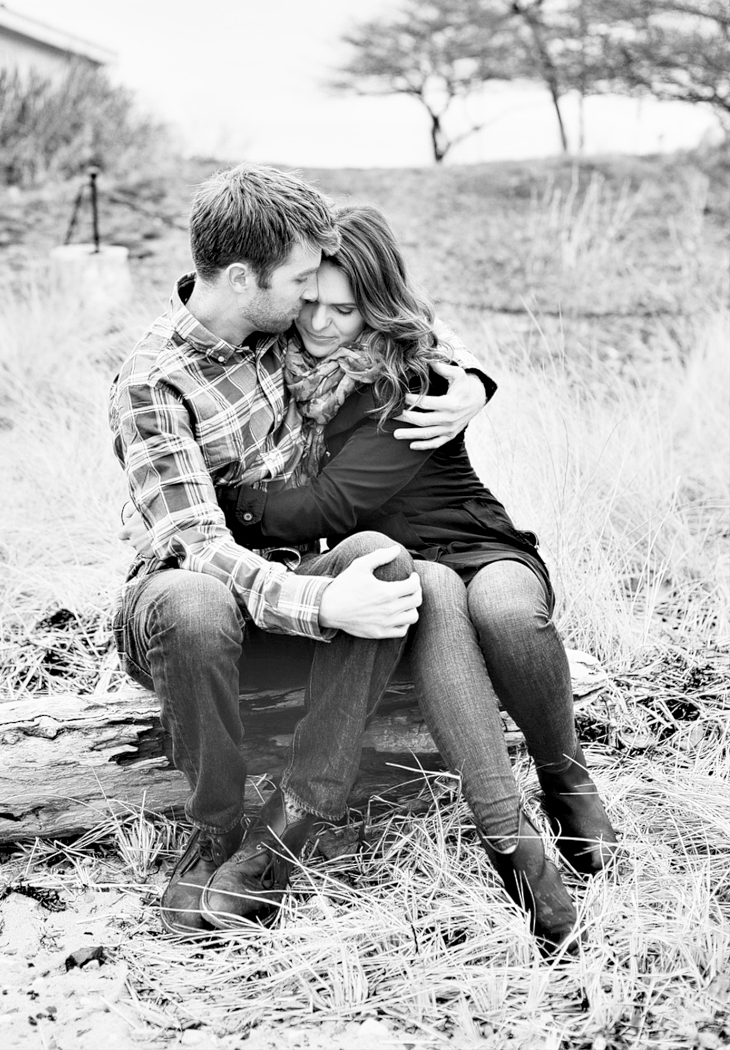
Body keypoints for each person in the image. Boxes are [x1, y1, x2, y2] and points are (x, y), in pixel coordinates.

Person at [214, 203, 618, 956]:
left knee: (502, 609)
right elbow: (209, 286)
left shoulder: (410, 374)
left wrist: (232, 499)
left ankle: (566, 777)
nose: (322, 324)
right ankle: (515, 847)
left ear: (377, 306)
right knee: (428, 591)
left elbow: (330, 505)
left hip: (476, 541)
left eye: (345, 308)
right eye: (311, 302)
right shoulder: (287, 362)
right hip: (409, 566)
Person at [109, 166, 495, 935]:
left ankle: (293, 821)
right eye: (299, 281)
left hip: (287, 595)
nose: (312, 299)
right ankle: (212, 829)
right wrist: (325, 603)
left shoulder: (273, 317)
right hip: (182, 607)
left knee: (383, 558)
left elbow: (392, 315)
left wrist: (476, 379)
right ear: (246, 278)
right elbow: (197, 547)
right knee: (196, 603)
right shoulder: (153, 383)